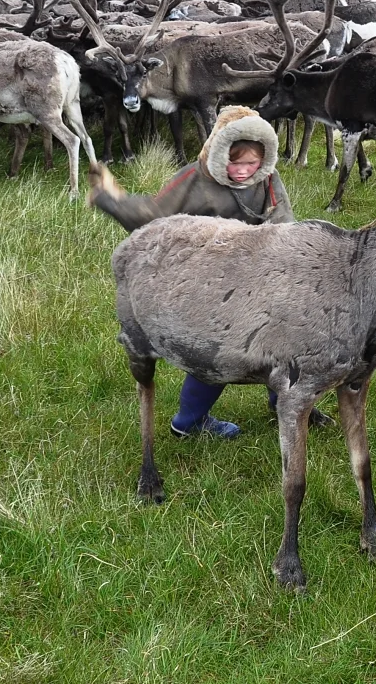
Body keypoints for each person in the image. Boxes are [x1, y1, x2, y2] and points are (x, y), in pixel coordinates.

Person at [86, 106, 294, 439]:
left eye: (252, 163)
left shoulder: (268, 179)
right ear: (220, 152)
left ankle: (287, 401)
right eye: (235, 162)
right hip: (206, 282)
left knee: (285, 340)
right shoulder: (195, 178)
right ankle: (189, 422)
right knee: (216, 352)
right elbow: (152, 216)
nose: (243, 171)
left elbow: (283, 223)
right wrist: (109, 200)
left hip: (257, 277)